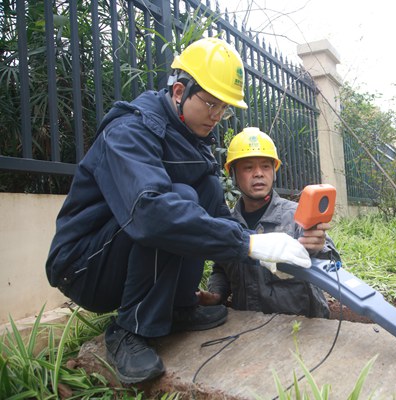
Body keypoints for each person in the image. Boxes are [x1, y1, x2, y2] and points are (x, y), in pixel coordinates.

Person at [45, 38, 312, 384]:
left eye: (224, 108)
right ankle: (130, 329)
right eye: (211, 104)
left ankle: (177, 307)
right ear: (179, 92)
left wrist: (276, 244)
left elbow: (216, 218)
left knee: (206, 189)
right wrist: (248, 244)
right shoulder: (129, 130)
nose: (217, 116)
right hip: (84, 266)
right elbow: (151, 213)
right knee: (176, 200)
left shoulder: (190, 140)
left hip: (122, 249)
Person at [198, 127, 340, 318]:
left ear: (274, 171)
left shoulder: (296, 217)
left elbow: (334, 267)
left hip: (303, 328)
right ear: (233, 174)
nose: (258, 174)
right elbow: (221, 269)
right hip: (249, 329)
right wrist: (217, 294)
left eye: (265, 166)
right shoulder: (228, 224)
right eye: (248, 167)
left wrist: (318, 248)